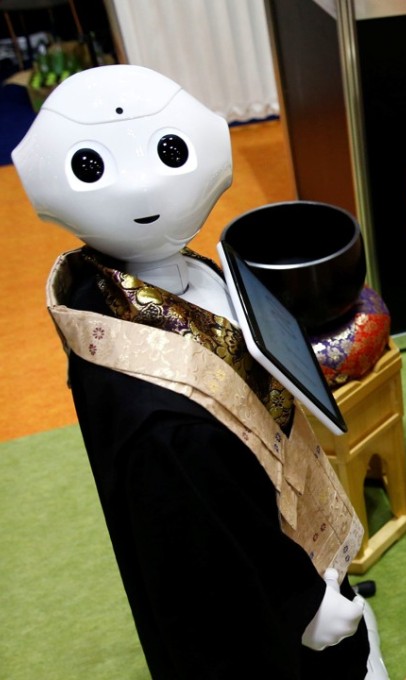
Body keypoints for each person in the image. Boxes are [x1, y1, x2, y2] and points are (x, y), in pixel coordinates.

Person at [13, 64, 386, 679]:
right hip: (258, 586)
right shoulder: (154, 418)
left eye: (167, 151)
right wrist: (300, 604)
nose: (140, 188)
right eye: (92, 166)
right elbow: (199, 539)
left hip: (279, 497)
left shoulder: (120, 284)